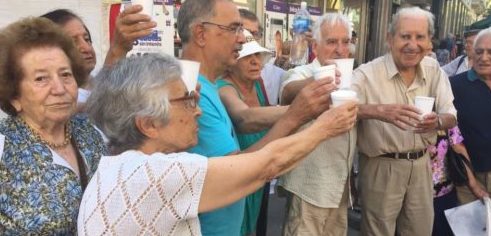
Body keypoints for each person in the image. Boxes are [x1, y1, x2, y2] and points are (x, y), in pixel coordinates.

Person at [77, 53, 358, 235]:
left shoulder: (123, 165)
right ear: (148, 124)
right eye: (187, 101)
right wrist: (325, 126)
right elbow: (265, 166)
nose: (197, 110)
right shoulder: (153, 175)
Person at [177, 0, 336, 235]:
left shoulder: (204, 85)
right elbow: (237, 171)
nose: (242, 39)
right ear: (201, 34)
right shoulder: (190, 92)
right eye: (233, 28)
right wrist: (302, 117)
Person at [350, 7, 457, 236]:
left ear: (429, 42)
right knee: (377, 232)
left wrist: (437, 121)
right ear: (390, 39)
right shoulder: (366, 74)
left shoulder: (433, 68)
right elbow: (340, 108)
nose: (412, 44)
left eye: (420, 37)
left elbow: (451, 116)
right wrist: (377, 110)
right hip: (380, 166)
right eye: (405, 36)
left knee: (419, 231)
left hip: (421, 166)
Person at [0, 17, 107, 235]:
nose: (59, 88)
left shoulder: (92, 133)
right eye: (41, 79)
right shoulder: (4, 146)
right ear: (14, 94)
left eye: (66, 75)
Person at [278, 13, 355, 236]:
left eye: (345, 42)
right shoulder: (302, 73)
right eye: (332, 42)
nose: (340, 49)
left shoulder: (352, 77)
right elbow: (288, 91)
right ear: (316, 46)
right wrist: (321, 79)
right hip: (308, 190)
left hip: (339, 190)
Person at [218, 30, 285, 235]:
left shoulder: (257, 84)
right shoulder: (224, 88)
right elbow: (245, 118)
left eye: (257, 55)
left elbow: (267, 116)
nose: (255, 62)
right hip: (238, 177)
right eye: (247, 57)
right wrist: (300, 109)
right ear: (232, 62)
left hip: (260, 173)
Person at [41, 6, 156, 105]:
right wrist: (117, 49)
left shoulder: (98, 81)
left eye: (87, 39)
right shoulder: (54, 99)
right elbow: (95, 107)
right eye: (73, 42)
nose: (86, 48)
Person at [450, 26, 491, 205]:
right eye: (479, 51)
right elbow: (453, 137)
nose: (484, 58)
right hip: (469, 179)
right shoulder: (454, 86)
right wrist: (472, 183)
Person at [240, 8, 285, 106]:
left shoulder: (260, 76)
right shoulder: (224, 82)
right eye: (246, 32)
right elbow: (243, 115)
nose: (250, 38)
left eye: (255, 34)